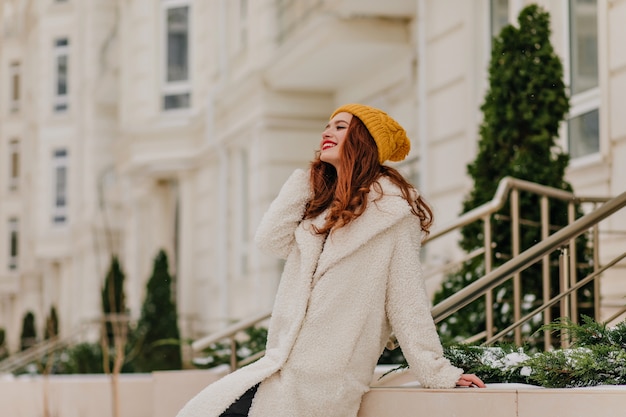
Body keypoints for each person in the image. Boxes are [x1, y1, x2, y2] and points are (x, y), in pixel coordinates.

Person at [176, 104, 485, 417]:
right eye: (327, 126)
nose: (327, 132)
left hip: (327, 379)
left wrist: (438, 372)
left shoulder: (393, 216)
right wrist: (307, 182)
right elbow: (270, 238)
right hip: (280, 363)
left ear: (363, 140)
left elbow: (407, 301)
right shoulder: (322, 210)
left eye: (340, 126)